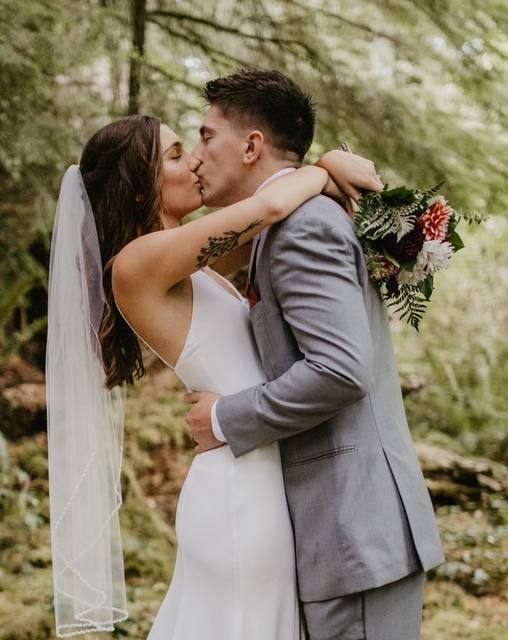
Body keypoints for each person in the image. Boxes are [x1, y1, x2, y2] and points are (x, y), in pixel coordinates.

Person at [46, 106, 381, 637]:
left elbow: (270, 223)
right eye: (177, 155)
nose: (197, 162)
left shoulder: (188, 261)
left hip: (257, 469)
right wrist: (326, 163)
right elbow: (270, 203)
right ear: (138, 188)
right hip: (238, 494)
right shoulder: (137, 264)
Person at [182, 69, 446, 640]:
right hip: (335, 535)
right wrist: (323, 167)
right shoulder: (285, 221)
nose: (197, 156)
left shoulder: (302, 225)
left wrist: (225, 418)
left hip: (354, 532)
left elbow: (339, 369)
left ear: (252, 145)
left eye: (206, 137)